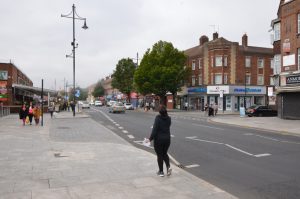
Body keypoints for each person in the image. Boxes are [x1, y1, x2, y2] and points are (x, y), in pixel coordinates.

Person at [145, 105, 172, 177]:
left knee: (159, 155)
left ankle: (161, 171)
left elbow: (154, 130)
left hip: (159, 140)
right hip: (167, 139)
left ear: (159, 111)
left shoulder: (158, 118)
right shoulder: (169, 118)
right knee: (165, 153)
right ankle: (168, 167)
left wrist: (150, 139)